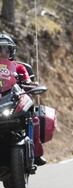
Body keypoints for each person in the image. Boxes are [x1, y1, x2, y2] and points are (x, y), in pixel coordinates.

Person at [0, 34, 47, 166]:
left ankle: (36, 152)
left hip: (14, 99)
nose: (2, 52)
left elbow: (27, 81)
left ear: (11, 51)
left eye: (5, 49)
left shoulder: (19, 67)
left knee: (34, 118)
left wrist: (30, 84)